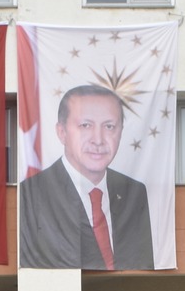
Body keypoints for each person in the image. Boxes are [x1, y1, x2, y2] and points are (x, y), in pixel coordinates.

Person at [19, 85, 155, 270]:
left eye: (109, 126)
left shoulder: (134, 192)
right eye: (85, 125)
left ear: (121, 132)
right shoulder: (32, 193)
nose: (98, 139)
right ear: (62, 132)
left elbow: (143, 264)